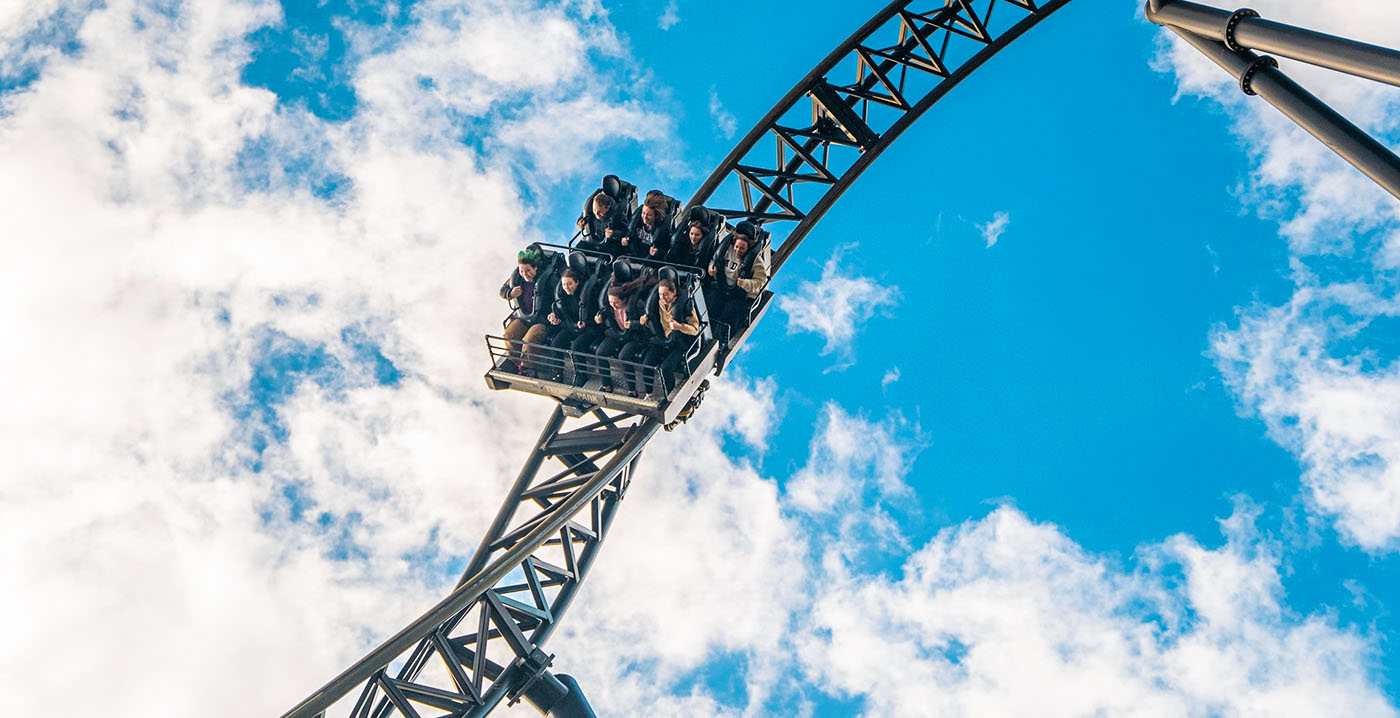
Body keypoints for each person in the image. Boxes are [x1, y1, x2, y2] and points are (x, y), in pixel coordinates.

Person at [499, 247, 560, 375]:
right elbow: (502, 291)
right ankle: (516, 363)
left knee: (530, 340)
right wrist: (510, 293)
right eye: (522, 271)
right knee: (509, 335)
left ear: (535, 268)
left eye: (528, 270)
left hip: (542, 320)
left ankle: (528, 368)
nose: (525, 274)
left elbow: (559, 298)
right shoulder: (517, 279)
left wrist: (555, 312)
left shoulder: (549, 280)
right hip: (523, 317)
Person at [705, 222, 769, 343]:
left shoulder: (755, 260)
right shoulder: (726, 249)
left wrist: (745, 283)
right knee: (711, 302)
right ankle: (702, 331)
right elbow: (714, 259)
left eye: (742, 248)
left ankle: (719, 339)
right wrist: (711, 268)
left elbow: (760, 282)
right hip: (721, 287)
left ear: (748, 247)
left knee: (730, 311)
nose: (738, 250)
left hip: (739, 294)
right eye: (736, 247)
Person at [637, 278, 701, 396]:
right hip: (662, 341)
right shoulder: (658, 303)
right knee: (646, 365)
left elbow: (695, 330)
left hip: (679, 343)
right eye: (661, 294)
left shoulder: (685, 305)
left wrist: (679, 326)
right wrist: (644, 322)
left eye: (666, 294)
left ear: (674, 292)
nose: (663, 297)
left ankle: (671, 396)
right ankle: (649, 394)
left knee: (666, 368)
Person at [593, 275, 655, 395]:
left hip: (634, 337)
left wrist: (634, 324)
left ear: (624, 300)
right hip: (617, 334)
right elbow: (604, 315)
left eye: (616, 303)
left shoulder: (636, 305)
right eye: (611, 303)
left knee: (624, 356)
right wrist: (598, 318)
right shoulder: (610, 308)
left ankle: (632, 389)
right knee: (600, 352)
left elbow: (646, 325)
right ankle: (606, 385)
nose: (614, 306)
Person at [546, 268, 598, 384]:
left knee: (576, 346)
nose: (566, 287)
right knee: (556, 343)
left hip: (589, 329)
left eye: (569, 284)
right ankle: (558, 373)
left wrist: (586, 323)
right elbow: (559, 311)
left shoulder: (588, 296)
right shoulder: (563, 296)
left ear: (577, 282)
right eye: (564, 284)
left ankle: (581, 375)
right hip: (571, 327)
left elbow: (596, 318)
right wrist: (554, 315)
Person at [575, 192, 628, 256]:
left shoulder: (618, 215)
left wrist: (614, 233)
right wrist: (580, 223)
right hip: (592, 241)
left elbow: (626, 232)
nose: (596, 214)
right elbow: (582, 217)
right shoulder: (590, 210)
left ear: (607, 208)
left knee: (605, 258)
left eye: (599, 212)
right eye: (594, 210)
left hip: (610, 245)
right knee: (577, 250)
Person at [622, 194, 670, 259]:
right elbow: (629, 234)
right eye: (643, 213)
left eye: (649, 215)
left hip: (650, 263)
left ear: (656, 216)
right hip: (633, 257)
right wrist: (625, 239)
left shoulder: (663, 231)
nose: (645, 217)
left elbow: (667, 251)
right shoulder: (637, 222)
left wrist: (657, 252)